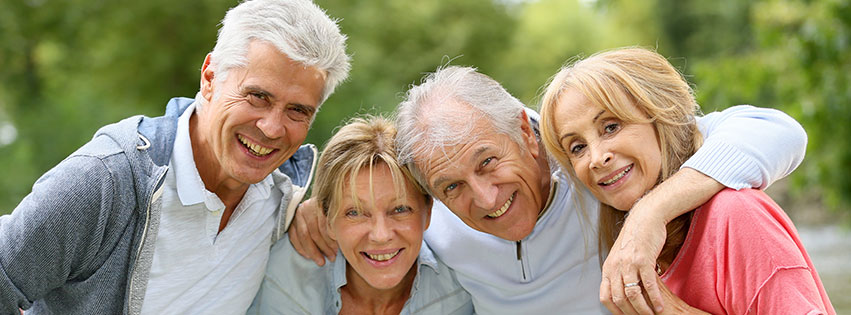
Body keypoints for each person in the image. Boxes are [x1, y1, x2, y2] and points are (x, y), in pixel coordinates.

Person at [288, 65, 808, 313]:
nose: (486, 199)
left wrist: (647, 215)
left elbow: (778, 130)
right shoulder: (431, 219)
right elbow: (377, 214)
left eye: (488, 162)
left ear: (525, 132)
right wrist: (312, 208)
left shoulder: (595, 170)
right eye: (452, 187)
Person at [0, 0, 350, 314]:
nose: (273, 128)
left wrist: (308, 212)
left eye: (297, 110)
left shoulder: (285, 199)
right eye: (258, 96)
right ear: (210, 78)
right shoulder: (105, 181)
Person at [539, 47, 834, 315]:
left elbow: (780, 131)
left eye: (611, 126)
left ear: (662, 118)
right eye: (577, 147)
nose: (596, 157)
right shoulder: (622, 253)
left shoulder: (736, 215)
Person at [249, 116, 472, 315]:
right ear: (326, 220)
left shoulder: (465, 281)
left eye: (400, 209)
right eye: (354, 212)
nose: (381, 235)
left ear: (428, 211)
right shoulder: (285, 279)